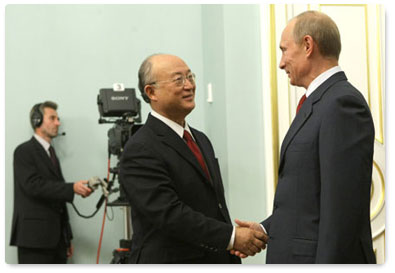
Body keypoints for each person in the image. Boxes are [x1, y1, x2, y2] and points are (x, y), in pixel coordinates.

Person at [234, 11, 376, 263]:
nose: (281, 62)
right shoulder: (322, 102)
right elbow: (306, 197)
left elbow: (341, 212)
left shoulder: (341, 104)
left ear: (308, 45)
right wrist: (267, 229)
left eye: (284, 50)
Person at [119, 54, 267, 264]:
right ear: (151, 92)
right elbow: (169, 214)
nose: (189, 85)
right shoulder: (141, 148)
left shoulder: (201, 139)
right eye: (178, 80)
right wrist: (232, 237)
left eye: (190, 77)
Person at [10, 101, 93, 264]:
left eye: (58, 118)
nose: (58, 123)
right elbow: (33, 186)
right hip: (34, 240)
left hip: (57, 242)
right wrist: (72, 188)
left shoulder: (51, 153)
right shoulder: (23, 151)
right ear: (37, 121)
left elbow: (58, 200)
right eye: (52, 118)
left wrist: (67, 237)